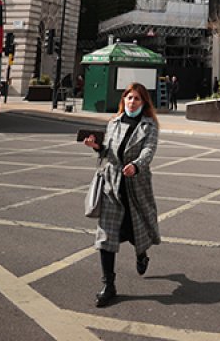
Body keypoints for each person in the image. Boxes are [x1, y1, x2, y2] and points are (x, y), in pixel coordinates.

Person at [82, 82, 161, 308]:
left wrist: (136, 165)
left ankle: (141, 254)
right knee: (106, 236)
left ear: (144, 102)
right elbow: (107, 151)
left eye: (136, 98)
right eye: (128, 98)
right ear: (123, 100)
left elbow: (149, 151)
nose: (132, 102)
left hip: (135, 185)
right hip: (111, 185)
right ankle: (109, 285)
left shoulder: (149, 125)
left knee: (136, 231)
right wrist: (96, 147)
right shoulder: (114, 123)